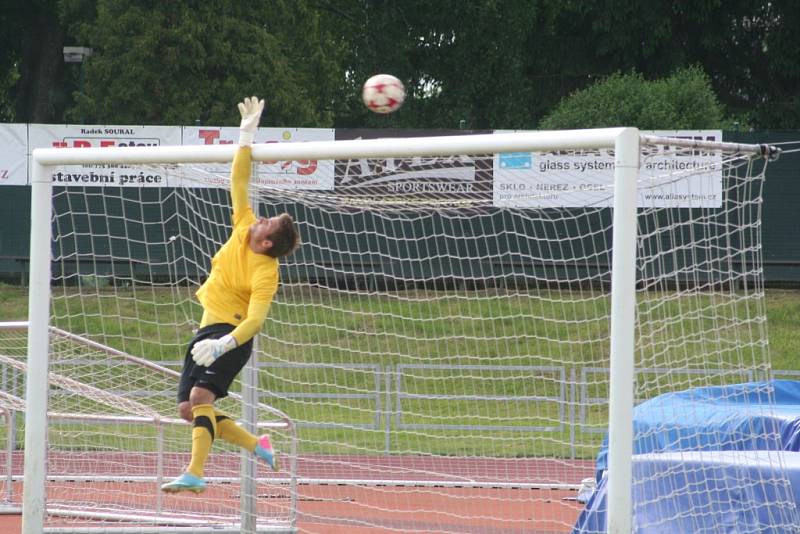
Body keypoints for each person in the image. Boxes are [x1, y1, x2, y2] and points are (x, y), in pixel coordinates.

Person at [161, 96, 300, 493]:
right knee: (188, 409)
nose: (260, 218)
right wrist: (246, 136)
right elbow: (238, 181)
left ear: (268, 243)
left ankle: (196, 473)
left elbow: (256, 320)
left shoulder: (266, 271)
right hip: (207, 332)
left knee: (202, 395)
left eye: (267, 222)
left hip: (231, 339)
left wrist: (224, 344)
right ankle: (258, 445)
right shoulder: (244, 228)